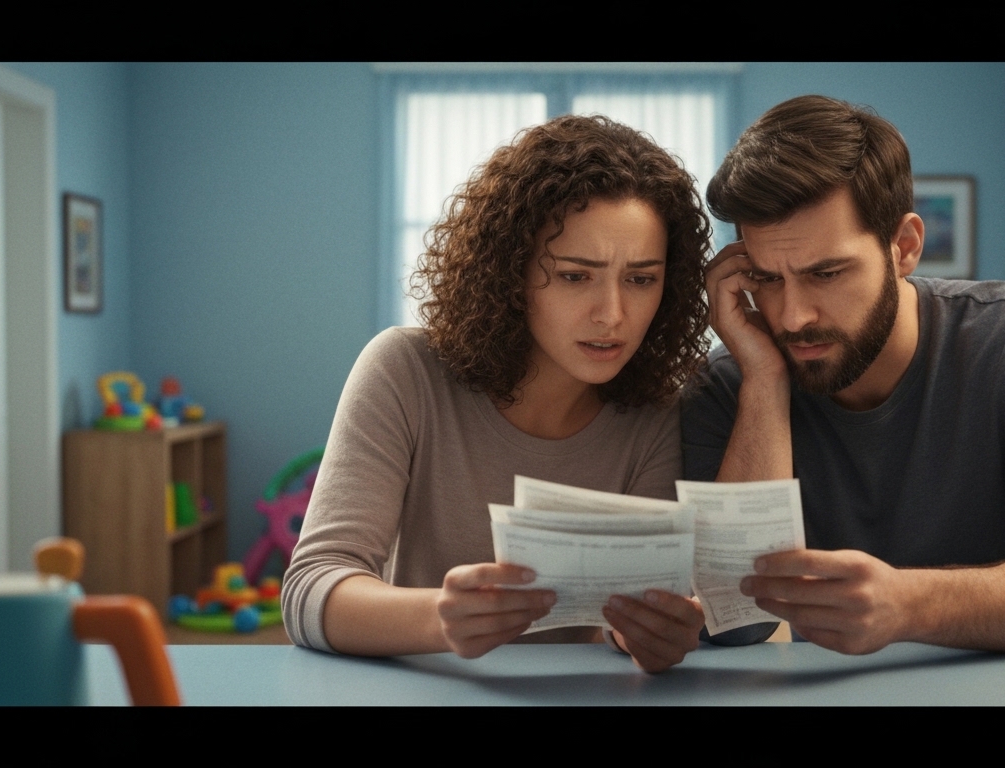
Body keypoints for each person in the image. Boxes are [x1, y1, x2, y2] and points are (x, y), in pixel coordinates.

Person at [684, 95, 1005, 653]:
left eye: (826, 273)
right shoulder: (734, 382)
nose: (792, 317)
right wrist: (763, 381)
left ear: (904, 247)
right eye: (766, 278)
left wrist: (909, 605)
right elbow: (738, 622)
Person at [283, 115, 710, 673]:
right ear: (509, 273)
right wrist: (442, 617)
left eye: (641, 279)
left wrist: (651, 633)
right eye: (575, 276)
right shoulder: (404, 372)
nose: (613, 315)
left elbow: (626, 622)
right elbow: (310, 590)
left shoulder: (654, 415)